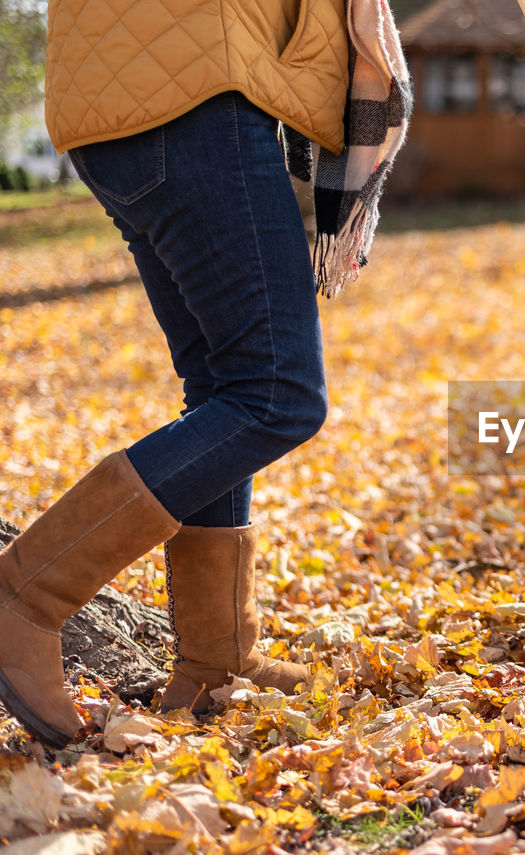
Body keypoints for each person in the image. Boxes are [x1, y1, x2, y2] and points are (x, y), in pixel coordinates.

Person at [0, 0, 353, 749]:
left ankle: (215, 660)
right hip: (194, 88)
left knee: (227, 388)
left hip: (113, 99)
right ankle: (27, 591)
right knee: (279, 395)